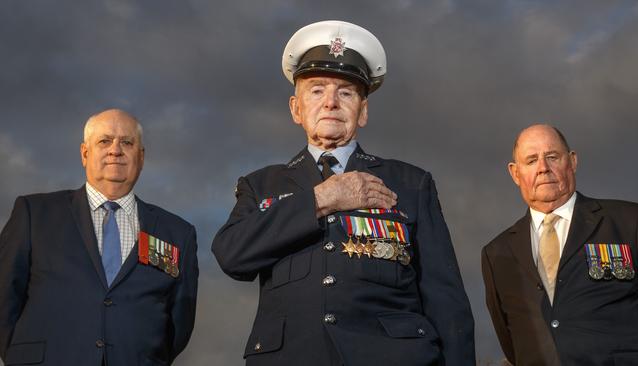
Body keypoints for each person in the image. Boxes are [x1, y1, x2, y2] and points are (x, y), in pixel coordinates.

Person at [212, 20, 475, 366]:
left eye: (346, 92)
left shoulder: (411, 183)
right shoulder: (260, 185)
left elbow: (447, 301)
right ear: (296, 109)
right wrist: (322, 199)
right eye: (317, 90)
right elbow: (231, 256)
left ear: (362, 112)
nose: (331, 103)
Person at [0, 109, 199, 366]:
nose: (115, 150)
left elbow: (179, 324)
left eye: (126, 142)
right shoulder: (34, 214)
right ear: (85, 153)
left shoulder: (177, 233)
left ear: (141, 156)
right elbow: (4, 296)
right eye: (104, 141)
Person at [481, 124, 638, 365]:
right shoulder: (495, 254)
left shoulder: (630, 222)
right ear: (515, 173)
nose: (543, 168)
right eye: (531, 161)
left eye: (552, 157)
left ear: (572, 161)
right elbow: (509, 339)